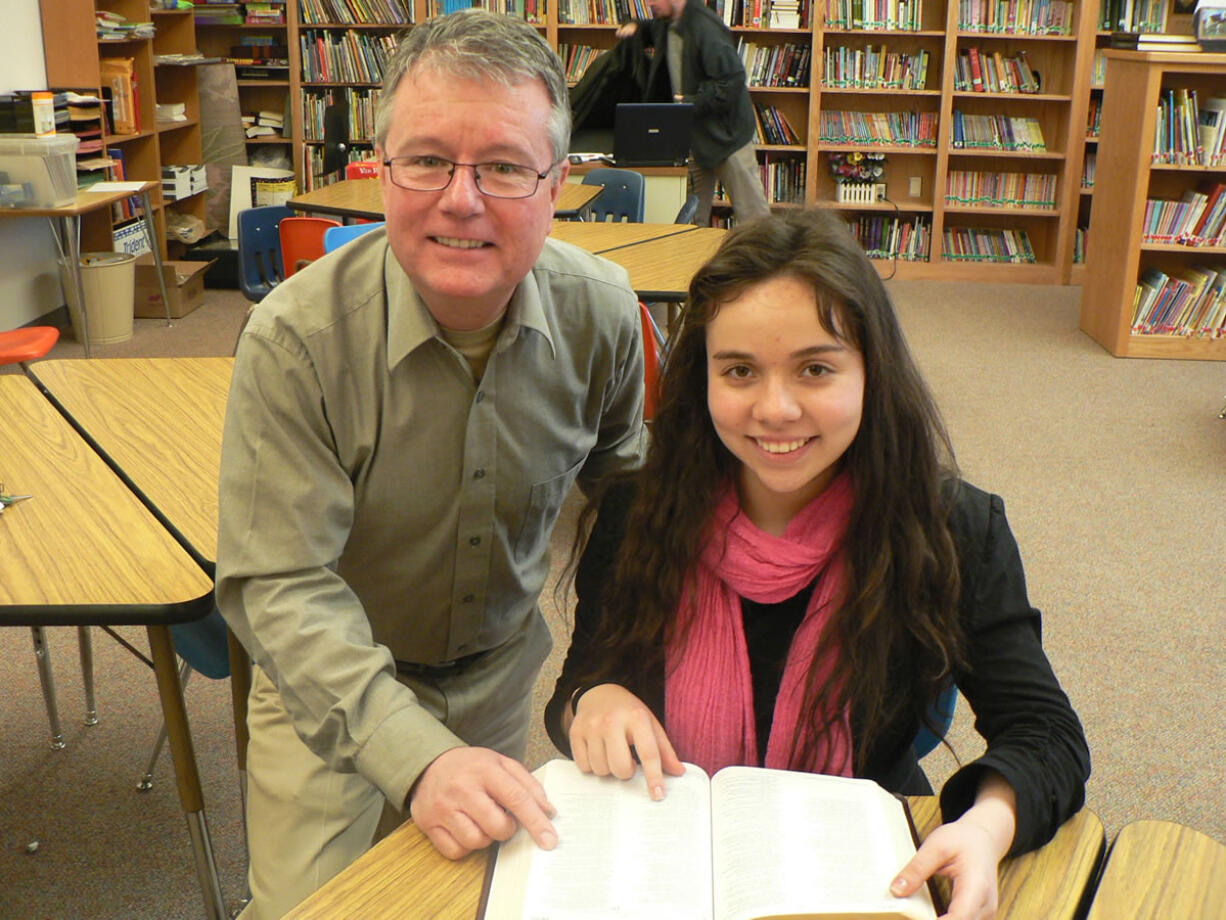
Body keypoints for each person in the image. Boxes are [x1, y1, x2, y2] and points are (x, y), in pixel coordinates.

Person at [216, 10, 647, 918]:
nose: (461, 198)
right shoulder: (295, 341)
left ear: (559, 183)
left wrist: (614, 665)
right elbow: (280, 586)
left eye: (502, 166)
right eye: (427, 160)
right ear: (381, 171)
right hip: (329, 695)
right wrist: (415, 759)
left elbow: (632, 495)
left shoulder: (604, 316)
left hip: (498, 678)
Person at [545, 209, 1090, 919]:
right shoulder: (638, 513)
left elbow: (1046, 735)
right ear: (701, 375)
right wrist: (594, 700)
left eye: (816, 369)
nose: (775, 409)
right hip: (663, 867)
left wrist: (986, 826)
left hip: (855, 877)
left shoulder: (952, 530)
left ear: (871, 371)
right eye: (739, 370)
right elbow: (577, 692)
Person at [616, 0, 771, 226]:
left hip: (728, 140)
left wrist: (691, 103)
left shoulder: (706, 28)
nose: (648, 3)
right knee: (691, 219)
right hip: (695, 139)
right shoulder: (665, 23)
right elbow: (650, 29)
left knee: (755, 221)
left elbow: (731, 81)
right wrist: (636, 27)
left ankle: (770, 262)